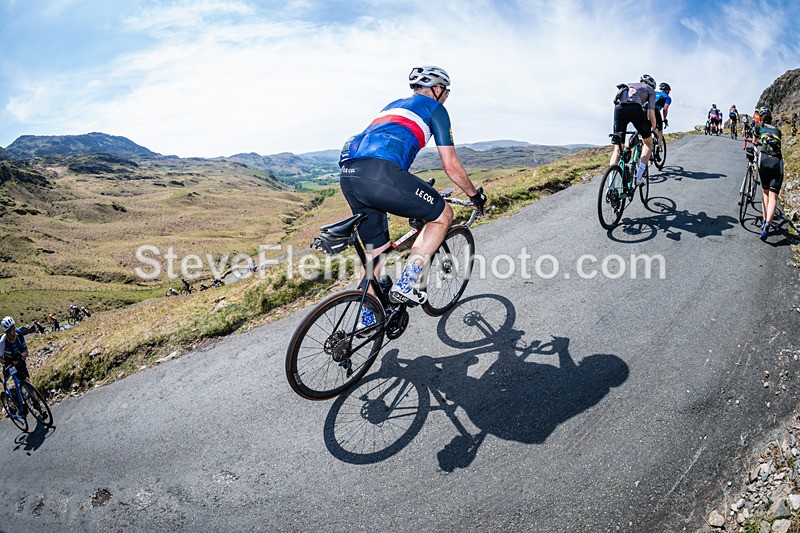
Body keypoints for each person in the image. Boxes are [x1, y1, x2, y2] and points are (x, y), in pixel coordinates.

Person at [338, 65, 486, 323]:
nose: (447, 95)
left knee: (376, 252)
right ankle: (407, 282)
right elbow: (450, 164)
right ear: (438, 89)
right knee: (442, 215)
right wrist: (474, 195)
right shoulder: (436, 109)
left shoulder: (393, 105)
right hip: (381, 175)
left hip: (350, 175)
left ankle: (366, 318)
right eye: (447, 90)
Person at [610, 74, 657, 187]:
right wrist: (654, 128)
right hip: (635, 109)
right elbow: (651, 113)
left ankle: (610, 184)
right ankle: (639, 177)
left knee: (618, 148)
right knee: (648, 143)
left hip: (619, 109)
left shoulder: (629, 85)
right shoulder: (650, 90)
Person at [753, 106, 783, 239]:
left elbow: (755, 142)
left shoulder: (759, 126)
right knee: (773, 196)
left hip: (764, 158)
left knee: (765, 193)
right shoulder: (777, 130)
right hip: (777, 161)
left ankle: (764, 221)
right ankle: (767, 224)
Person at [1, 316, 30, 386]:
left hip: (19, 359)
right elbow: (0, 357)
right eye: (11, 332)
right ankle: (16, 393)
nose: (14, 333)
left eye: (14, 329)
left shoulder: (19, 333)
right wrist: (6, 363)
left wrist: (19, 357)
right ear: (7, 333)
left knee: (28, 382)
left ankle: (34, 396)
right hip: (10, 363)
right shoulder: (2, 342)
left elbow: (26, 352)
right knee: (20, 380)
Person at [653, 82, 671, 151]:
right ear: (667, 90)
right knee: (660, 131)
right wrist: (665, 119)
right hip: (655, 112)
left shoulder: (653, 93)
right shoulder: (667, 97)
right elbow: (665, 109)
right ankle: (657, 149)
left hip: (645, 110)